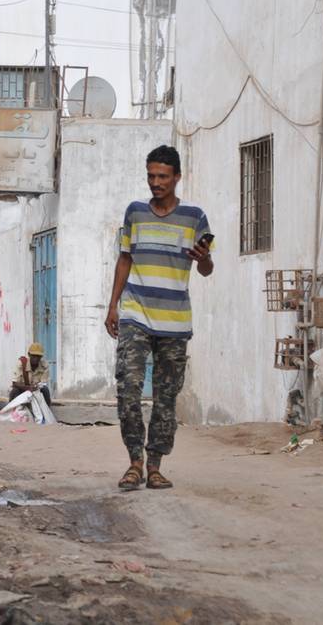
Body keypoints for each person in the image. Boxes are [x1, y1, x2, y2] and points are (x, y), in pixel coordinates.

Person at [104, 145, 213, 491]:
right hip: (136, 314)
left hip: (175, 321)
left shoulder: (195, 218)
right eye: (151, 176)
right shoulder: (134, 212)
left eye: (163, 176)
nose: (156, 182)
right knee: (129, 389)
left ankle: (155, 465)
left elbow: (207, 268)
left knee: (166, 398)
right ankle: (134, 461)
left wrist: (202, 259)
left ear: (177, 177)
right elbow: (125, 259)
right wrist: (113, 305)